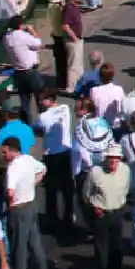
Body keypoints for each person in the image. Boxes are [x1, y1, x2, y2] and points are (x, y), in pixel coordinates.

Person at [2, 136, 49, 269]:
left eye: (5, 152)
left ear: (11, 150)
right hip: (31, 204)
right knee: (35, 243)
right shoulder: (28, 159)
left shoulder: (13, 167)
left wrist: (9, 202)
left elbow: (10, 192)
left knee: (19, 248)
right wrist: (32, 183)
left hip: (18, 209)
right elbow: (43, 169)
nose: (3, 155)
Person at [37, 88, 76, 238]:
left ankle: (52, 220)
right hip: (65, 153)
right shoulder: (65, 108)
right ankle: (68, 218)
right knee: (67, 189)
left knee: (51, 190)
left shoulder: (43, 117)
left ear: (49, 99)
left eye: (43, 99)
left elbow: (38, 130)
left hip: (51, 155)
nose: (40, 102)